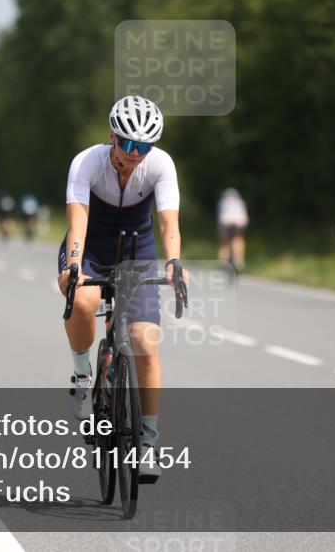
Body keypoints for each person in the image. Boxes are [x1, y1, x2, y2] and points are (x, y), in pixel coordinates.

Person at [57, 95, 186, 482]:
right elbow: (77, 219)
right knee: (82, 300)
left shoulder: (160, 165)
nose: (134, 154)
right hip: (92, 246)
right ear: (111, 136)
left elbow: (168, 223)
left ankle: (148, 441)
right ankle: (82, 373)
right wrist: (75, 264)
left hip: (137, 248)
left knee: (145, 341)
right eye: (127, 144)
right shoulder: (86, 162)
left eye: (143, 147)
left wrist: (174, 262)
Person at [216, 187, 249, 270]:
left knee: (224, 241)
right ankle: (239, 261)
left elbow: (220, 216)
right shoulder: (240, 202)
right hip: (239, 222)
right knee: (239, 239)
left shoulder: (223, 202)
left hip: (226, 222)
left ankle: (223, 261)